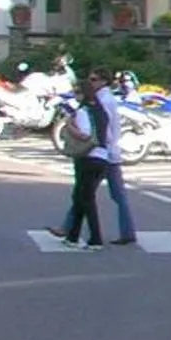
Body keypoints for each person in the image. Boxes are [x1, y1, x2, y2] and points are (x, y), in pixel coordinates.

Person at [53, 72, 112, 248]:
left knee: (86, 200)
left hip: (88, 158)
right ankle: (72, 236)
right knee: (80, 197)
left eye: (77, 92)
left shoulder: (83, 112)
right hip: (103, 157)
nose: (76, 96)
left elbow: (85, 135)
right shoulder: (101, 111)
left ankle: (96, 239)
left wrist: (70, 126)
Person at [96, 68, 138, 246]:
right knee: (118, 196)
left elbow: (104, 128)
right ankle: (128, 231)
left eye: (94, 79)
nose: (91, 83)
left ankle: (67, 228)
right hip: (111, 153)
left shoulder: (103, 100)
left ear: (103, 81)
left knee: (84, 192)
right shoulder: (109, 98)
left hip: (103, 153)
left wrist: (99, 145)